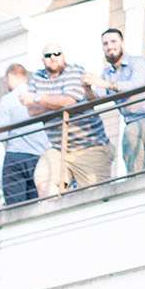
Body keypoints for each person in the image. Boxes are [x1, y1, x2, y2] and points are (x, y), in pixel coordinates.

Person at [26, 45, 113, 188]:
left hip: (90, 146)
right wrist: (55, 102)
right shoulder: (37, 77)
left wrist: (39, 98)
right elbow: (32, 110)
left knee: (95, 197)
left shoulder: (75, 71)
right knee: (44, 183)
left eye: (56, 53)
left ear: (63, 56)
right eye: (48, 55)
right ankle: (53, 210)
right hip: (59, 148)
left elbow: (69, 101)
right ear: (43, 60)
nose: (53, 57)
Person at [100, 28, 145, 174]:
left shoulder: (138, 63)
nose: (109, 46)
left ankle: (134, 182)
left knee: (131, 132)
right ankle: (140, 182)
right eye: (105, 44)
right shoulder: (107, 73)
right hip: (134, 125)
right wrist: (86, 87)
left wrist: (108, 85)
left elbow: (134, 85)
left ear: (122, 43)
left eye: (113, 41)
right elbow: (96, 97)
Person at [0, 64, 50, 205]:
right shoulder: (40, 96)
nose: (5, 84)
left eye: (5, 80)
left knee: (16, 206)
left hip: (16, 156)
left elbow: (1, 134)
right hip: (40, 157)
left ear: (11, 76)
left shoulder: (8, 99)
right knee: (35, 203)